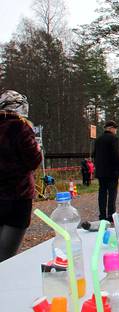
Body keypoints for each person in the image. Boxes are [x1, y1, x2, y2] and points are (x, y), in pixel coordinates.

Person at [0, 90, 42, 262]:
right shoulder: (21, 127)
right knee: (6, 256)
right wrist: (37, 147)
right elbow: (34, 160)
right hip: (17, 197)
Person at [93, 120, 119, 222]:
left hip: (101, 171)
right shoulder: (113, 139)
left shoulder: (98, 140)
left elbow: (94, 155)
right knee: (112, 194)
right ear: (111, 128)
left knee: (102, 193)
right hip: (112, 171)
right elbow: (116, 154)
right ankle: (111, 215)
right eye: (115, 129)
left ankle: (102, 216)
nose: (116, 131)